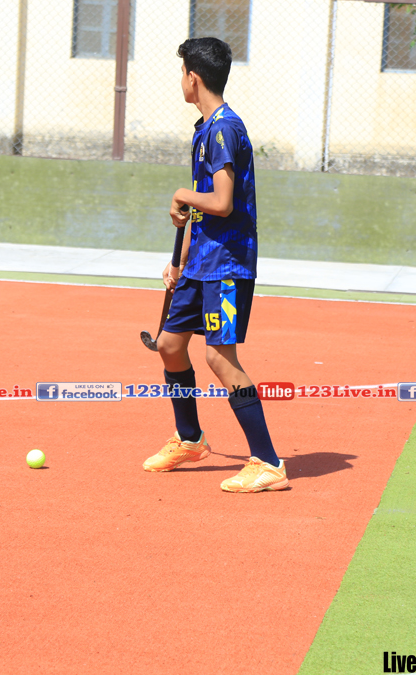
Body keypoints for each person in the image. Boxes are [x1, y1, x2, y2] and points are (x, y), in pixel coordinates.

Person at [142, 37, 288, 493]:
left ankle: (268, 463)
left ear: (193, 78)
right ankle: (190, 438)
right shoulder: (204, 129)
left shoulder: (225, 130)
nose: (181, 81)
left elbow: (221, 203)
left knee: (218, 358)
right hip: (201, 262)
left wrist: (180, 194)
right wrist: (181, 261)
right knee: (169, 345)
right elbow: (200, 209)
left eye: (181, 73)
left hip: (227, 265)